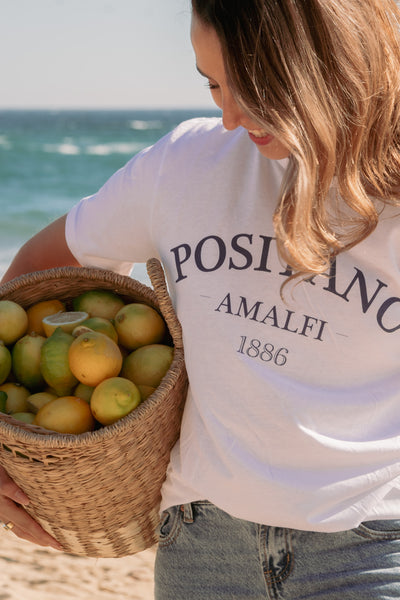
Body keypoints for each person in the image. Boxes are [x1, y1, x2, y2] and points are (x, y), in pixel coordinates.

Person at [1, 0, 400, 597]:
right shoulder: (185, 165)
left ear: (325, 66)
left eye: (258, 88)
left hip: (372, 552)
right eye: (213, 84)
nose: (232, 117)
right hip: (202, 546)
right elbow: (32, 281)